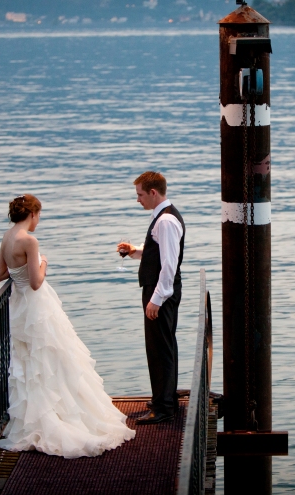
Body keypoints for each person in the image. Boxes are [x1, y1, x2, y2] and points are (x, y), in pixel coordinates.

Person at [0, 194, 135, 458]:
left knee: (30, 362)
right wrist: (43, 262)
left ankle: (33, 417)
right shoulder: (29, 240)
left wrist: (18, 272)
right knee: (54, 357)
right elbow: (36, 282)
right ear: (33, 214)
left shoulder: (7, 236)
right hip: (37, 306)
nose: (38, 221)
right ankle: (61, 412)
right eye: (39, 216)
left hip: (18, 306)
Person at [117, 172, 185, 425]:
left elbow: (169, 264)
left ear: (153, 192)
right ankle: (164, 397)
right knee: (162, 346)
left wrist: (156, 299)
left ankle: (164, 407)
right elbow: (161, 253)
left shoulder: (166, 221)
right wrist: (134, 251)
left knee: (159, 349)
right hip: (161, 289)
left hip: (161, 291)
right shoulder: (163, 218)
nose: (138, 200)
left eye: (140, 194)